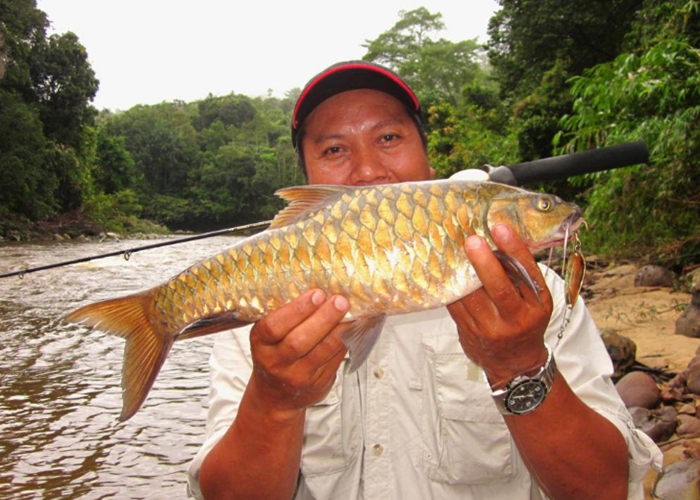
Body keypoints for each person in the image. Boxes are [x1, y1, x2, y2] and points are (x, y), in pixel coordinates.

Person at [187, 61, 662, 499]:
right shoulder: (268, 321)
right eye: (334, 149)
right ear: (309, 181)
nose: (369, 171)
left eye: (389, 138)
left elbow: (605, 489)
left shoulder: (537, 297)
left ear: (429, 161)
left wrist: (520, 365)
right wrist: (274, 402)